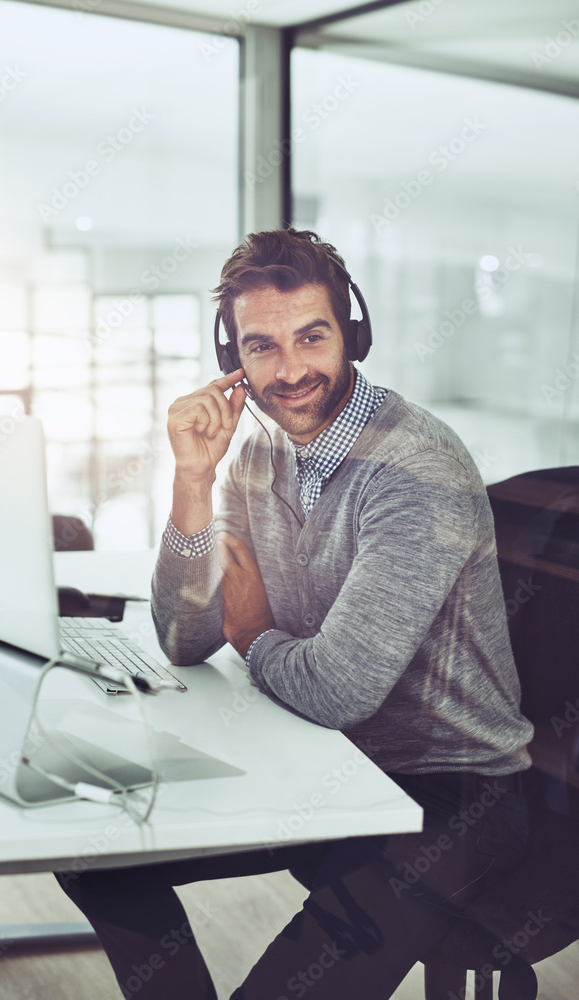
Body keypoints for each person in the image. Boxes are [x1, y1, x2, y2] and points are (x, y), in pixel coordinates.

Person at [57, 228, 533, 999]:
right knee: (92, 854)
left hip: (448, 791)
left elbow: (339, 688)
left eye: (312, 337)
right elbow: (183, 639)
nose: (290, 371)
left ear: (353, 334)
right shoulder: (253, 456)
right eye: (261, 347)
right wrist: (190, 484)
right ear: (232, 362)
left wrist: (251, 632)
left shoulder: (416, 473)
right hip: (321, 757)